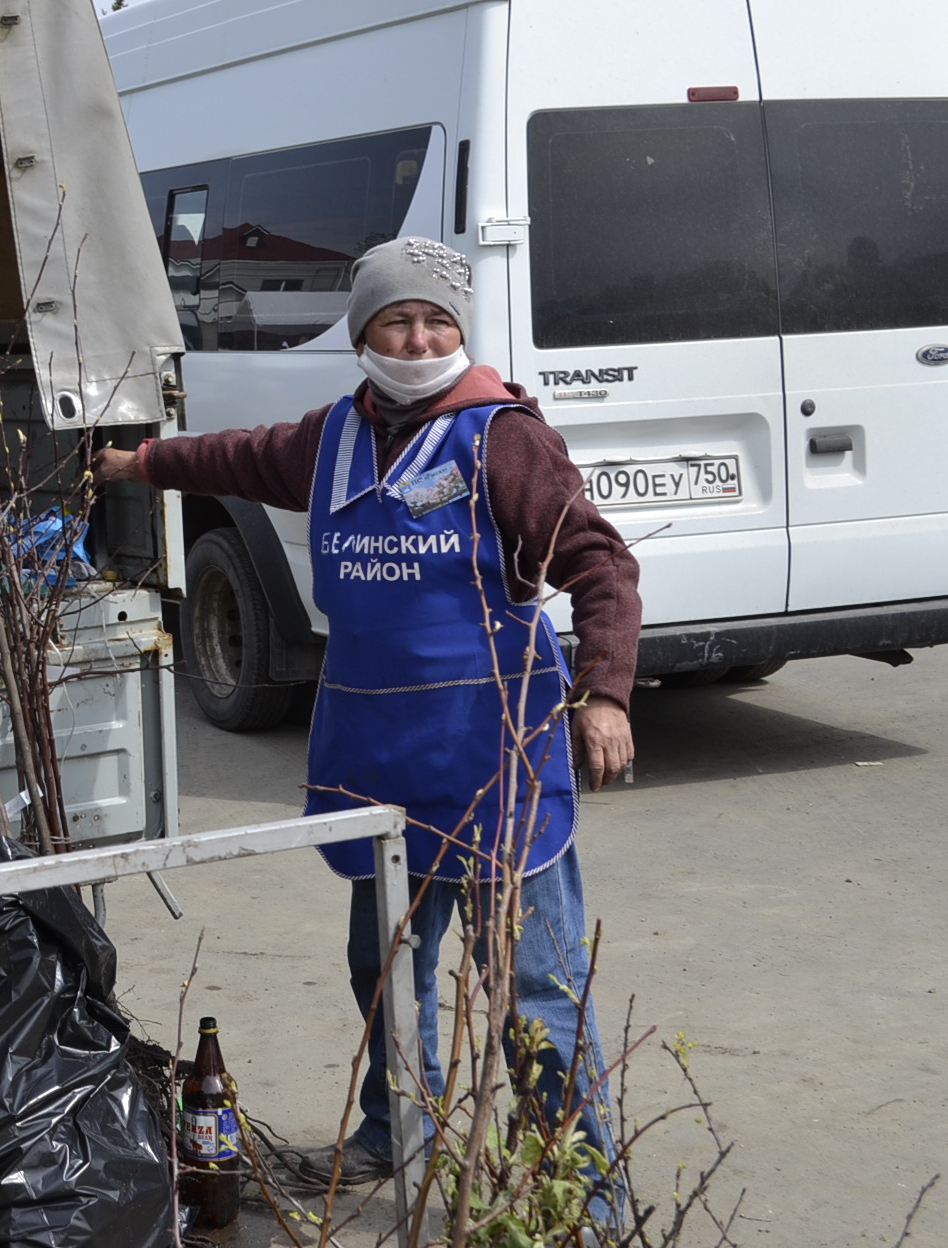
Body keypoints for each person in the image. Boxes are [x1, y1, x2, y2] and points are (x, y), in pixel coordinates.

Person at [95, 237, 638, 1195]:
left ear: (461, 333)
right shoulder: (333, 437)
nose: (419, 339)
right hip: (381, 761)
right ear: (362, 335)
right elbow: (239, 456)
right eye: (397, 321)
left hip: (494, 758)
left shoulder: (504, 438)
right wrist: (142, 462)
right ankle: (398, 1136)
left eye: (437, 322)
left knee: (536, 992)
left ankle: (584, 1196)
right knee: (384, 970)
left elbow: (599, 564)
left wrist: (602, 692)